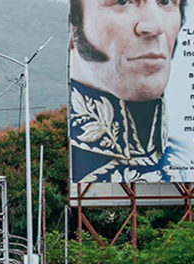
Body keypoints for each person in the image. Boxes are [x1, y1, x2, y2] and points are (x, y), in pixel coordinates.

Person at [70, 0, 189, 182]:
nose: (155, 26)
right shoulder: (74, 164)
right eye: (122, 1)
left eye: (165, 1)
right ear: (71, 26)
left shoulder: (185, 162)